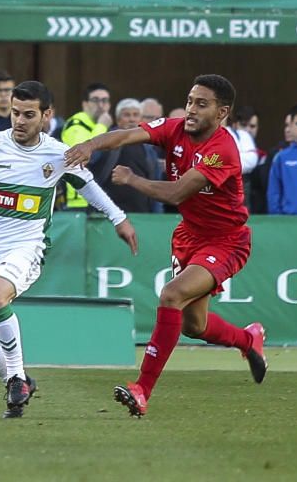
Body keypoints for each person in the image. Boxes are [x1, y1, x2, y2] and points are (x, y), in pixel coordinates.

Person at [0, 80, 137, 418]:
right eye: (15, 113)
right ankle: (21, 379)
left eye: (29, 114)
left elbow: (90, 188)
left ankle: (14, 380)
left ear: (46, 115)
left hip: (27, 246)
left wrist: (119, 219)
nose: (20, 121)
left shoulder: (58, 153)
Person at [64, 74, 267, 418]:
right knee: (193, 325)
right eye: (189, 101)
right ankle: (248, 340)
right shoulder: (175, 128)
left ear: (222, 113)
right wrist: (91, 145)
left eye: (202, 104)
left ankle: (142, 389)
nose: (191, 109)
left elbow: (176, 193)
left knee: (171, 294)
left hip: (226, 240)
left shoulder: (222, 150)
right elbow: (128, 134)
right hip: (189, 235)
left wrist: (132, 179)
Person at [87, 98, 158, 213]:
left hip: (143, 213)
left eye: (135, 115)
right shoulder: (107, 142)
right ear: (118, 120)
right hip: (108, 214)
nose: (131, 119)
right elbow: (91, 164)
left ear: (140, 119)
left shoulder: (149, 148)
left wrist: (156, 215)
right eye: (127, 115)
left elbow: (156, 181)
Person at [60, 82, 113, 209]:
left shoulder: (103, 128)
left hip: (101, 198)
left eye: (104, 101)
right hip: (80, 201)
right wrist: (102, 126)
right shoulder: (76, 125)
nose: (100, 105)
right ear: (85, 104)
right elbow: (84, 157)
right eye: (95, 100)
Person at [267, 103, 297, 216]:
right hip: (289, 222)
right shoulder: (282, 158)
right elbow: (274, 194)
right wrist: (278, 221)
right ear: (290, 126)